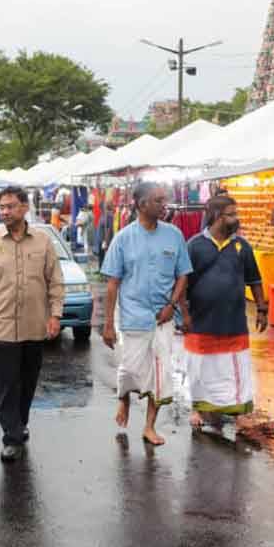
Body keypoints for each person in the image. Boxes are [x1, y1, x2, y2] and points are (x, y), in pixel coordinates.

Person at [0, 186, 64, 462]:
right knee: (5, 385)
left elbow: (55, 280)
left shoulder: (43, 241)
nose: (5, 211)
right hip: (1, 327)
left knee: (27, 382)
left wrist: (55, 315)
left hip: (34, 327)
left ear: (25, 207)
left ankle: (19, 423)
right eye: (2, 207)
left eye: (11, 206)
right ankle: (11, 437)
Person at [101, 182, 191, 446]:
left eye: (165, 200)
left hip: (163, 318)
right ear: (141, 205)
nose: (166, 205)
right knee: (130, 370)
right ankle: (124, 400)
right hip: (133, 317)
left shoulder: (174, 235)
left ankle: (149, 426)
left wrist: (173, 306)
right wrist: (108, 324)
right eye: (159, 201)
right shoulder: (123, 239)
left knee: (161, 374)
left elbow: (183, 274)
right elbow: (112, 284)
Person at [184, 196, 267, 432]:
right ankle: (198, 408)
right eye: (231, 214)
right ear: (216, 216)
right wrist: (182, 314)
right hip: (201, 320)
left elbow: (255, 280)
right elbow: (182, 282)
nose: (235, 219)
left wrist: (261, 308)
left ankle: (239, 413)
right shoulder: (194, 245)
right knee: (200, 366)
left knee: (235, 366)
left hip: (234, 320)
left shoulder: (242, 246)